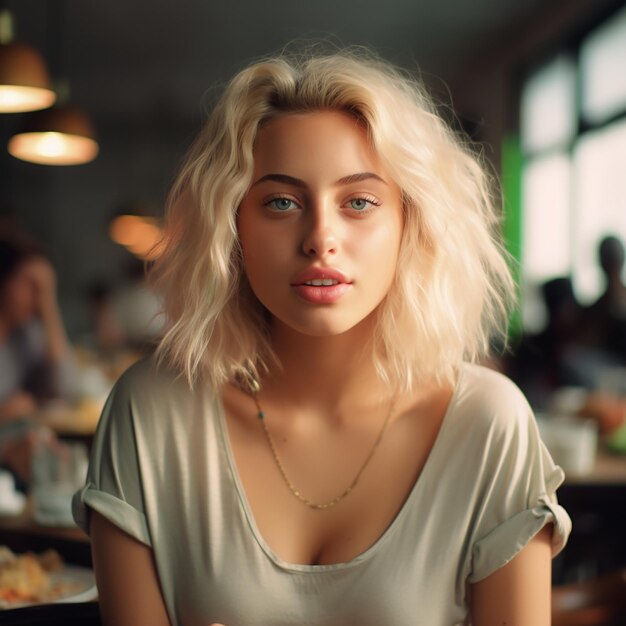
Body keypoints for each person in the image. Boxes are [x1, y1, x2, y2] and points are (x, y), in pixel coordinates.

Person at [73, 51, 571, 626]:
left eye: (359, 201)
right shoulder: (149, 414)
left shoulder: (487, 425)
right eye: (281, 202)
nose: (320, 238)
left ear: (413, 223)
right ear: (231, 227)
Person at [0, 230, 77, 421]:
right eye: (32, 285)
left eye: (46, 289)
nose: (39, 300)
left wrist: (49, 309)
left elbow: (66, 387)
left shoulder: (24, 335)